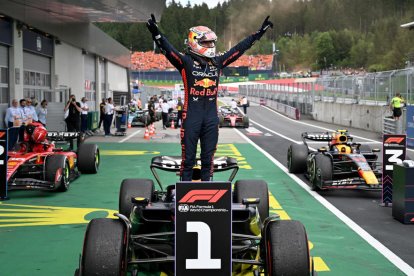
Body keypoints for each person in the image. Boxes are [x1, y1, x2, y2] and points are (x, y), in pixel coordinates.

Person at [147, 14, 273, 181]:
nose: (211, 45)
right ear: (195, 42)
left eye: (212, 42)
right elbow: (168, 49)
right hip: (191, 117)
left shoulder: (218, 62)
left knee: (208, 160)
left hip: (211, 119)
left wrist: (258, 34)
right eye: (206, 42)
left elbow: (239, 49)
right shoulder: (185, 62)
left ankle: (209, 195)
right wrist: (156, 33)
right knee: (188, 160)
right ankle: (185, 195)